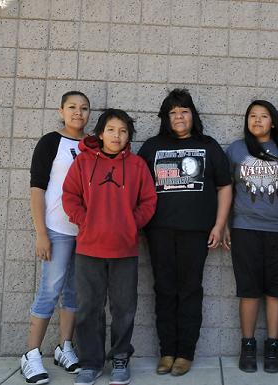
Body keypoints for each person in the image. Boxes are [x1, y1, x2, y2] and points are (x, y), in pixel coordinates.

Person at [137, 89, 232, 376]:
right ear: (166, 118)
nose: (179, 117)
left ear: (193, 115)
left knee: (190, 290)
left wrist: (219, 224)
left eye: (184, 111)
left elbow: (224, 186)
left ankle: (185, 353)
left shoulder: (208, 145)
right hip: (159, 231)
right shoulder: (151, 147)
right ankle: (167, 351)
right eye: (173, 112)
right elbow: (138, 187)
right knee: (164, 290)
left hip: (196, 231)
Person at [62, 109, 157, 385]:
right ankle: (90, 363)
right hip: (89, 248)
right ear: (101, 133)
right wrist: (85, 221)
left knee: (124, 307)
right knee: (88, 307)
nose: (118, 136)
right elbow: (70, 196)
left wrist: (130, 224)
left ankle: (120, 358)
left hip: (124, 249)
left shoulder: (138, 165)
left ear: (129, 136)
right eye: (112, 130)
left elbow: (149, 201)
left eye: (124, 131)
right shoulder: (83, 162)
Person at [224, 100, 278, 374]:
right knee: (248, 290)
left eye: (263, 116)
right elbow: (225, 189)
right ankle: (247, 345)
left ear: (273, 121)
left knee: (276, 292)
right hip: (245, 227)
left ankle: (273, 346)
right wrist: (224, 224)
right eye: (252, 116)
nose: (257, 120)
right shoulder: (236, 149)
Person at [21, 91, 90, 385]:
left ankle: (65, 347)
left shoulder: (93, 144)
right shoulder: (51, 142)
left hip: (85, 232)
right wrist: (41, 233)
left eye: (84, 108)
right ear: (61, 110)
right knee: (50, 290)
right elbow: (37, 188)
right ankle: (31, 354)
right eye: (72, 107)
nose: (78, 113)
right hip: (57, 230)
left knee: (75, 292)